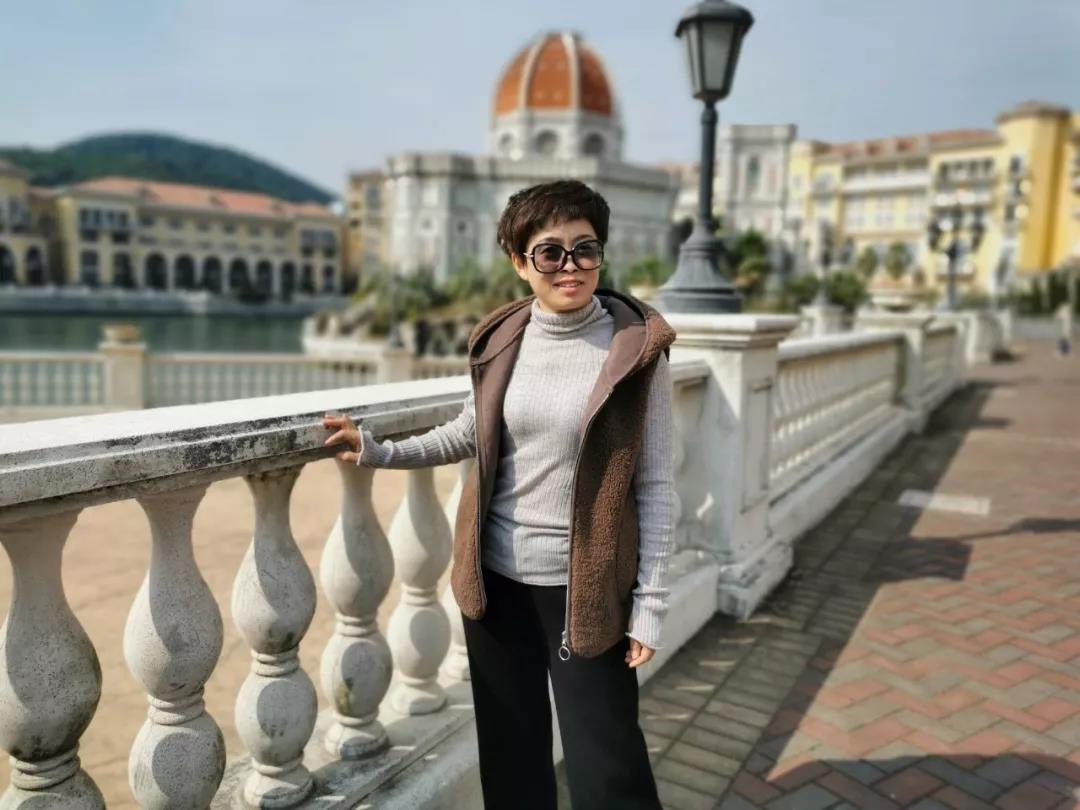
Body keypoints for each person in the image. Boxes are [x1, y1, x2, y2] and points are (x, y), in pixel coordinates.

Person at [323, 180, 674, 810]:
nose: (570, 266)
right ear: (519, 262)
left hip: (585, 587)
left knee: (608, 766)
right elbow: (469, 432)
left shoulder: (636, 350)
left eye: (585, 249)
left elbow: (655, 485)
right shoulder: (505, 338)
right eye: (550, 252)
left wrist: (649, 603)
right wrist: (378, 450)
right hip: (495, 584)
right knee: (511, 760)